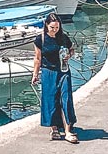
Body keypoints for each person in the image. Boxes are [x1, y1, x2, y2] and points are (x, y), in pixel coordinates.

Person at [32, 12, 78, 143]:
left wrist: (69, 55)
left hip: (63, 71)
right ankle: (54, 129)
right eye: (52, 27)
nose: (55, 30)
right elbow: (37, 58)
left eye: (57, 27)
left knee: (66, 98)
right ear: (46, 25)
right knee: (51, 100)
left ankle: (68, 130)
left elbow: (72, 49)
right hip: (48, 72)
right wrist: (35, 74)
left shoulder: (63, 37)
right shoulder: (40, 39)